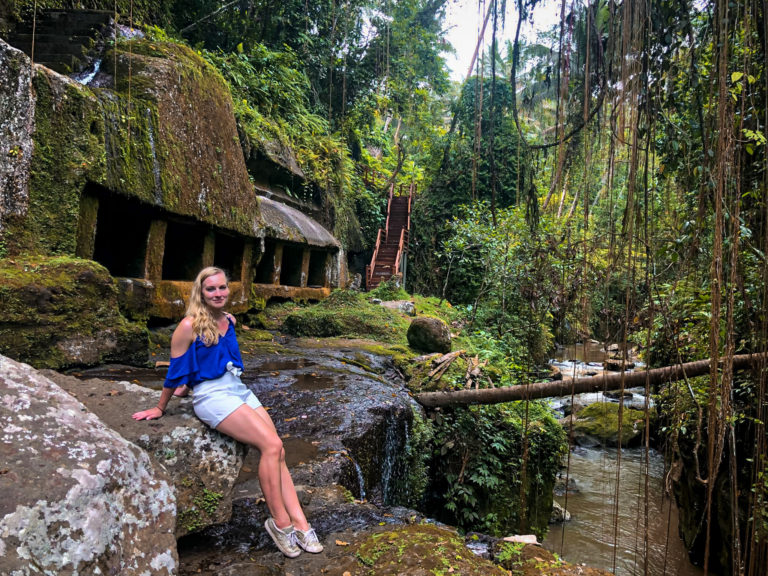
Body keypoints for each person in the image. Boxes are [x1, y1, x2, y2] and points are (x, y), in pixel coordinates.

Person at [132, 266, 322, 558]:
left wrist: (189, 381)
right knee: (270, 445)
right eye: (211, 289)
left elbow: (217, 360)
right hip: (211, 396)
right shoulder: (188, 326)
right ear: (201, 292)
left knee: (279, 450)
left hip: (236, 389)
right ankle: (280, 524)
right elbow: (175, 370)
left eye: (222, 288)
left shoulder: (229, 321)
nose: (218, 293)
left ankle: (300, 523)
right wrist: (161, 407)